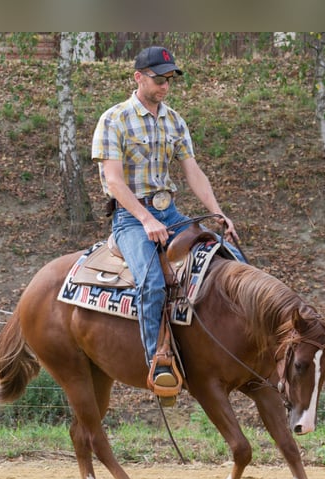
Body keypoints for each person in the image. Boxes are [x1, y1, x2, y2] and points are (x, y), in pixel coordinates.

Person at [91, 46, 246, 394]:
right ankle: (157, 362)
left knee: (232, 259)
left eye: (169, 80)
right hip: (131, 217)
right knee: (152, 282)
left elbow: (193, 171)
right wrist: (145, 219)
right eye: (159, 79)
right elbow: (114, 181)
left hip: (171, 212)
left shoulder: (174, 120)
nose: (165, 86)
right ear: (138, 77)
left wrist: (218, 212)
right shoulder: (114, 119)